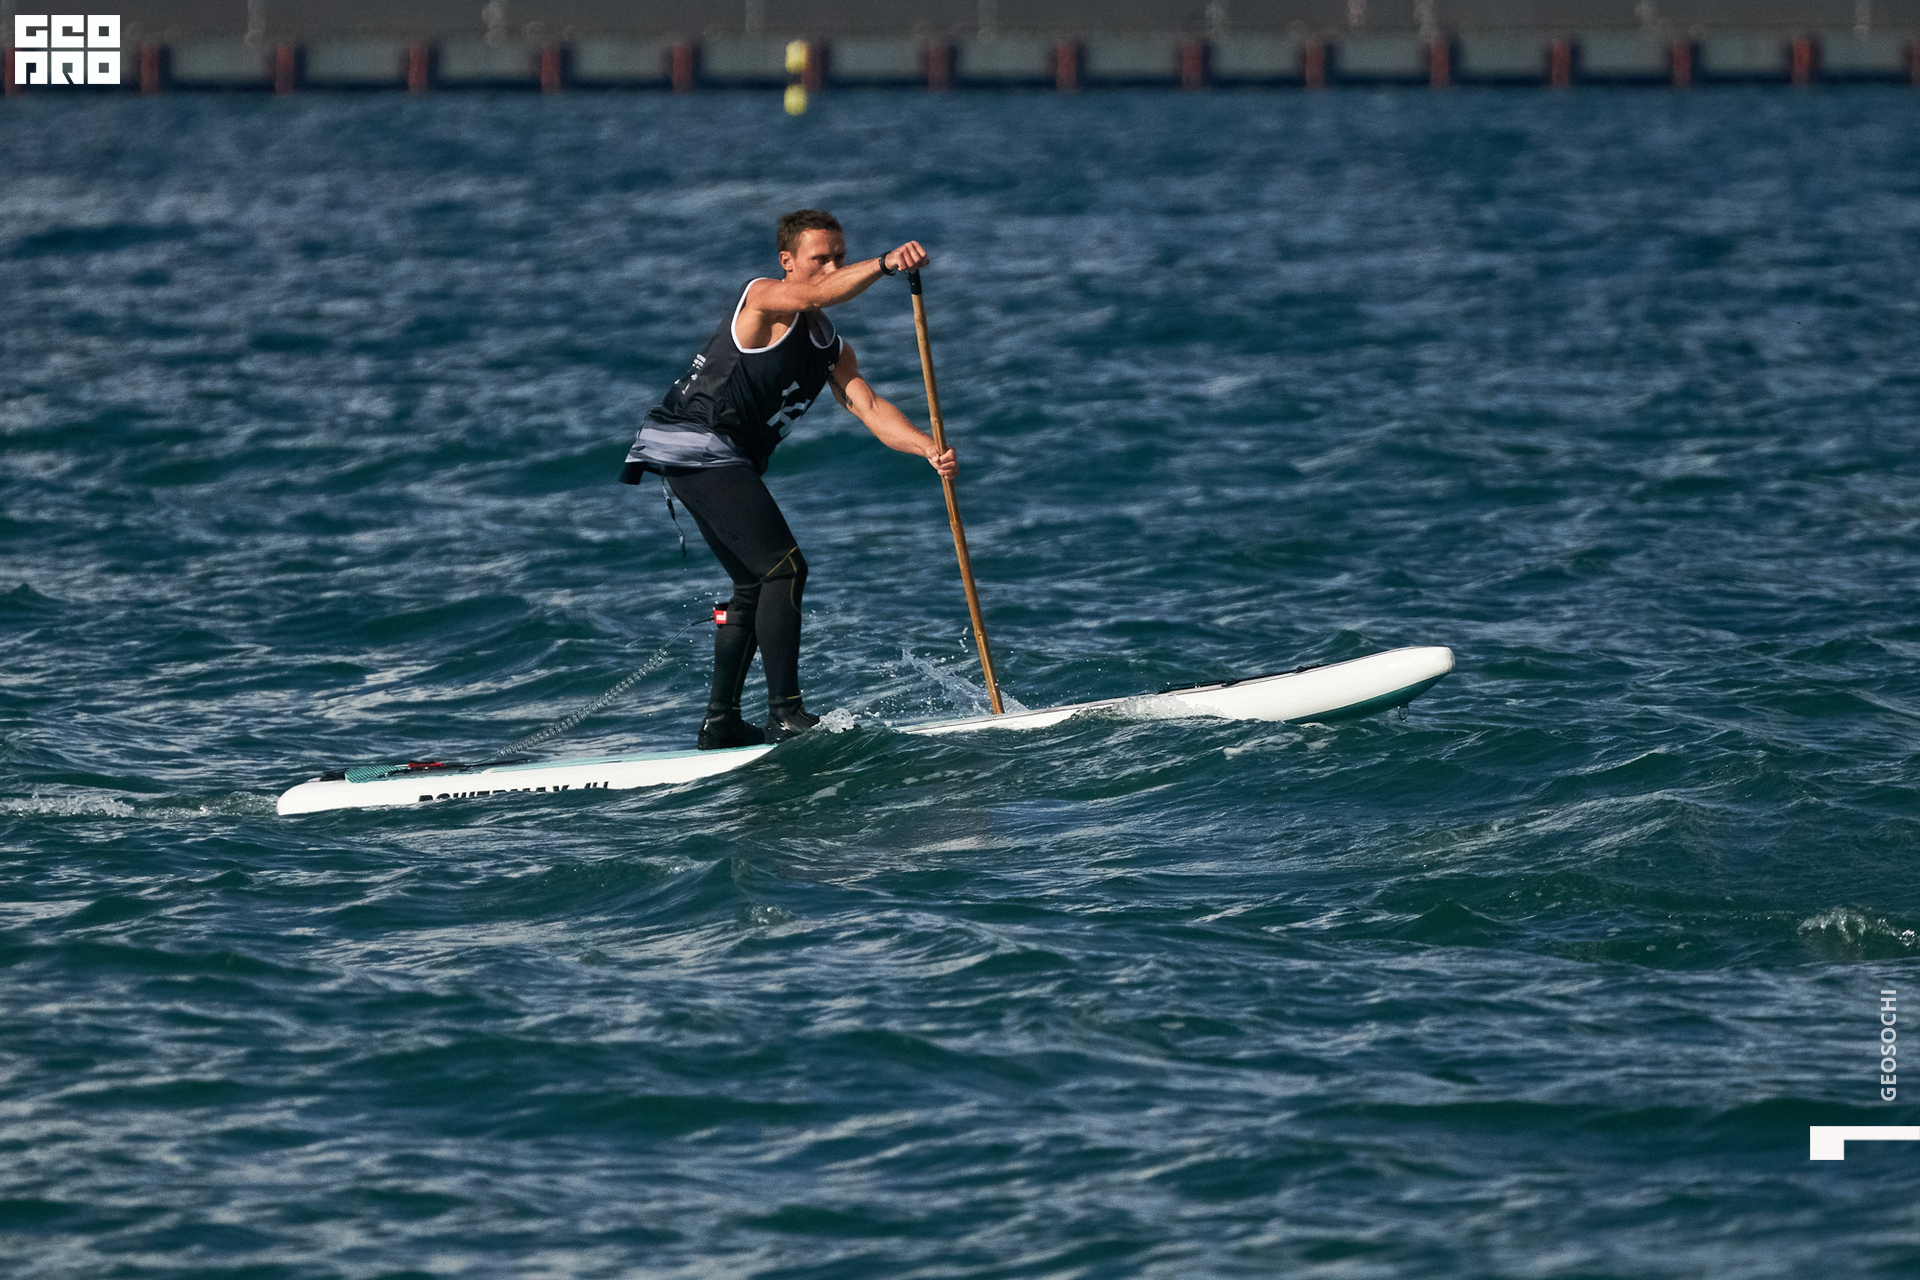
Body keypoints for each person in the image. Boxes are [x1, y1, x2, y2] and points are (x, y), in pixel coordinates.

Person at [620, 210, 958, 748]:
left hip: (711, 459)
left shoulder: (832, 349)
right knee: (785, 569)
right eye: (819, 258)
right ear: (788, 262)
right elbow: (815, 295)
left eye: (839, 258)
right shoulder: (763, 298)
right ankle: (786, 713)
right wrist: (886, 263)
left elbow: (869, 407)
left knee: (754, 584)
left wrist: (926, 448)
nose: (832, 268)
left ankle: (721, 723)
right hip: (697, 446)